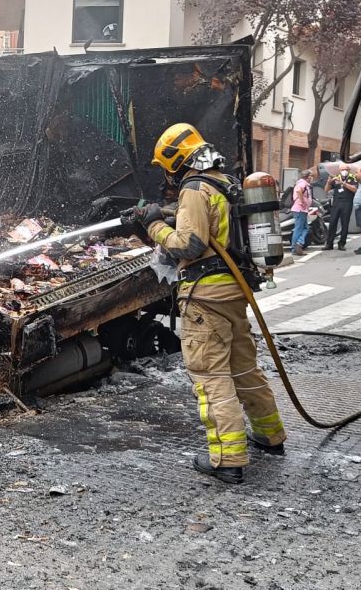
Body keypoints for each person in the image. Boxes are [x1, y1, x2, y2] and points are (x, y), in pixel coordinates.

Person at [133, 123, 288, 485]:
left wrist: (153, 224)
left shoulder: (193, 188)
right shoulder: (224, 183)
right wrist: (165, 217)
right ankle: (270, 436)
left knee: (211, 376)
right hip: (234, 293)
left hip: (205, 298)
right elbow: (215, 231)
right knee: (245, 370)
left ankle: (228, 458)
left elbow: (188, 245)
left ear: (176, 160)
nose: (168, 174)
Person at [323, 164, 358, 251]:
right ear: (339, 170)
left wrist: (343, 183)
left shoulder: (352, 178)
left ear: (349, 170)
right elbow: (326, 190)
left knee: (345, 223)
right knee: (332, 223)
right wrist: (328, 182)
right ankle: (329, 243)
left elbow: (354, 189)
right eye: (342, 169)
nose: (344, 171)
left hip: (347, 202)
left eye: (346, 169)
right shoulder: (336, 178)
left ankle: (342, 243)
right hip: (336, 202)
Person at [290, 168, 314, 256]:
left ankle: (298, 244)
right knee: (299, 228)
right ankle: (295, 247)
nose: (312, 178)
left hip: (302, 209)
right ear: (308, 177)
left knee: (305, 228)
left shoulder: (304, 184)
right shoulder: (302, 183)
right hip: (300, 209)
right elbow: (299, 191)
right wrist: (303, 202)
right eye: (312, 176)